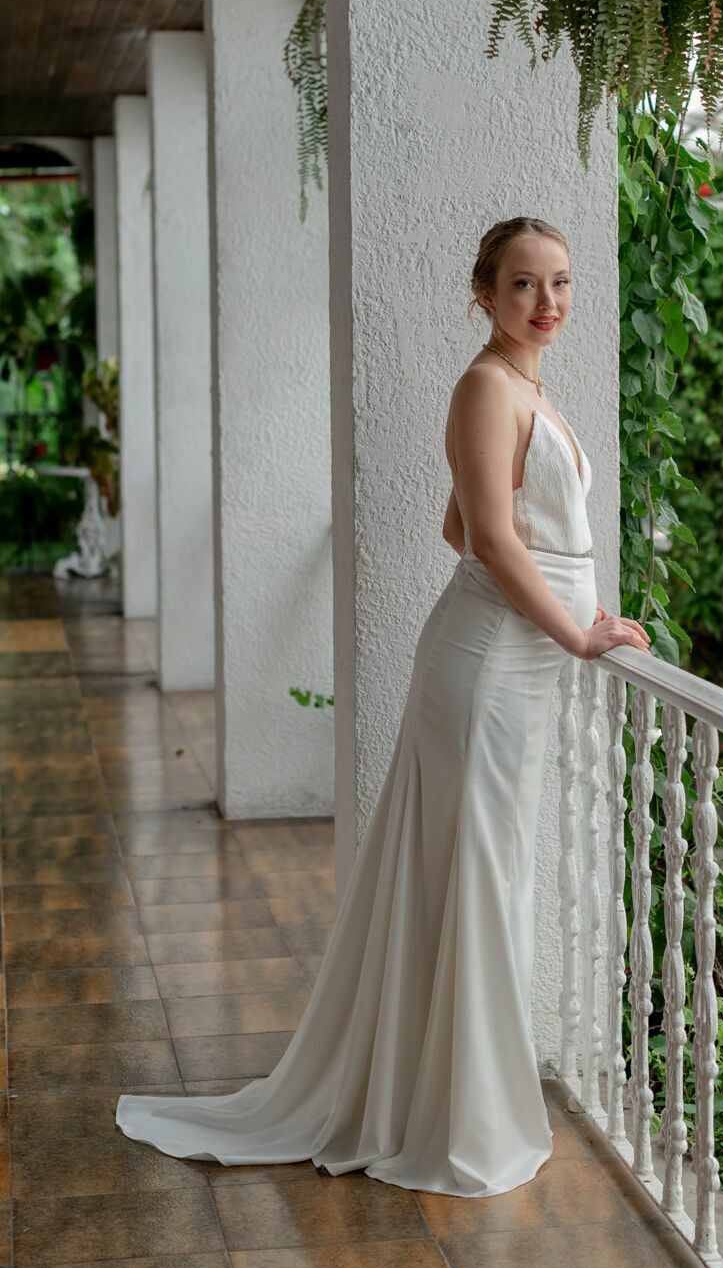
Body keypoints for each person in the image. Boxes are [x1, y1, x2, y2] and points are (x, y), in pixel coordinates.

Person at [114, 216, 651, 1197]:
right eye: (525, 284)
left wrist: (581, 598)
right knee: (480, 876)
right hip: (493, 664)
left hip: (509, 655)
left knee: (482, 872)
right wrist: (573, 627)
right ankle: (464, 1122)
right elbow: (487, 540)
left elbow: (469, 521)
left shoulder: (528, 388)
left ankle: (446, 1099)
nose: (548, 301)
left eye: (562, 282)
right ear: (484, 293)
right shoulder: (487, 385)